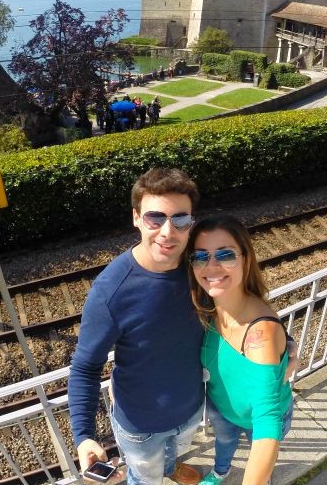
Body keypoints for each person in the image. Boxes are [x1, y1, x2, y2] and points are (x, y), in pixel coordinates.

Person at [68, 168, 205, 485]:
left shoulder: (201, 267)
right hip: (141, 427)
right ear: (136, 218)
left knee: (175, 451)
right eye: (155, 219)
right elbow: (86, 367)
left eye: (180, 219)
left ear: (192, 222)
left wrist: (281, 341)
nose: (168, 232)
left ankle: (170, 467)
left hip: (192, 410)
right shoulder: (111, 291)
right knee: (144, 478)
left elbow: (240, 303)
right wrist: (84, 436)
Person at [186, 216, 294, 485]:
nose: (211, 265)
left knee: (261, 469)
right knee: (224, 441)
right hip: (222, 408)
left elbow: (267, 424)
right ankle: (221, 471)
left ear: (246, 259)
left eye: (225, 255)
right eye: (200, 257)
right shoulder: (207, 307)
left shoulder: (260, 333)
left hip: (255, 418)